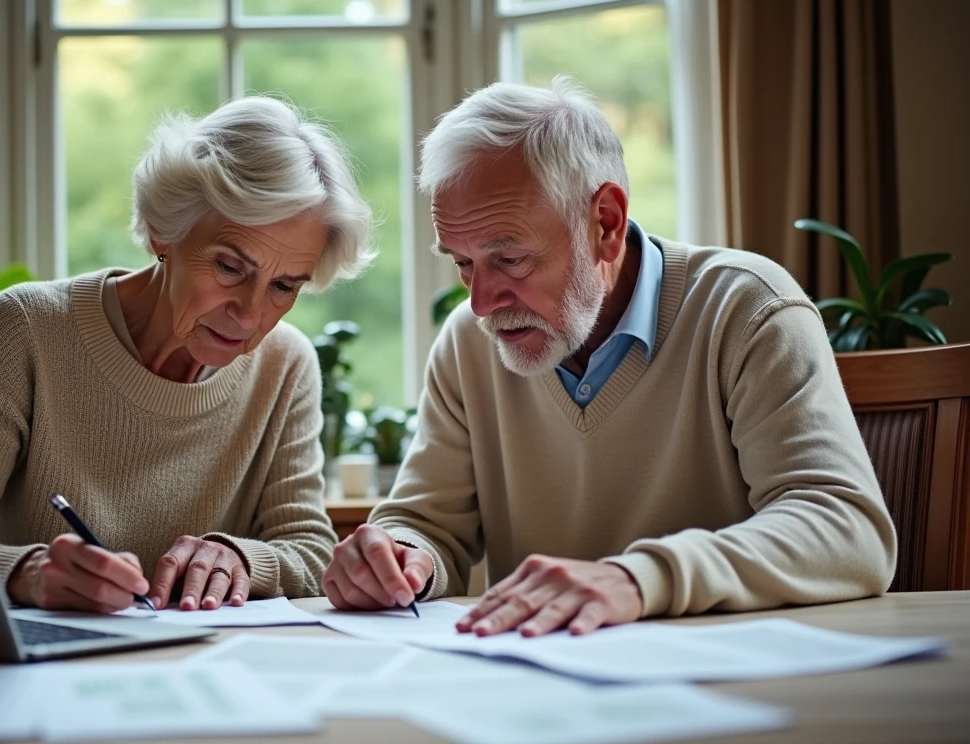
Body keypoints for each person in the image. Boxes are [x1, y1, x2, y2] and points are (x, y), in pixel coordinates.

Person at [322, 77, 896, 636]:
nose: (481, 303)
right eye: (462, 262)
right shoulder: (467, 343)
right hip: (539, 694)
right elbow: (426, 525)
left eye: (511, 259)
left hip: (729, 688)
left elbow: (847, 530)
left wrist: (637, 580)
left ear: (606, 224)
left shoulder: (746, 310)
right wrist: (400, 556)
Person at [0, 96, 375, 614]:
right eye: (230, 268)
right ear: (160, 232)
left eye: (283, 285)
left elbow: (309, 550)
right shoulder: (27, 327)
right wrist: (24, 574)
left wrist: (241, 559)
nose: (249, 314)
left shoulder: (286, 365)